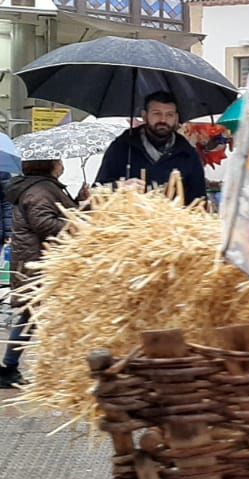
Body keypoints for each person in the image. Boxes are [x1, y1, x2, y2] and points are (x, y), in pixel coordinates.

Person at [0, 157, 78, 388]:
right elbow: (44, 223)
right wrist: (73, 226)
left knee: (32, 316)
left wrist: (82, 202)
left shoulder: (42, 186)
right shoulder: (39, 189)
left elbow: (60, 213)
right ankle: (11, 368)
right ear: (51, 165)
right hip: (39, 264)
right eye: (60, 161)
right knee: (33, 316)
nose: (63, 164)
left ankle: (11, 367)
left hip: (39, 262)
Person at [93, 91, 207, 204]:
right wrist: (119, 187)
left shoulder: (187, 154)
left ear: (176, 118)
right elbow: (97, 191)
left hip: (171, 221)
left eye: (169, 115)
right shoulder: (122, 147)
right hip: (129, 220)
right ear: (144, 116)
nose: (163, 120)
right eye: (156, 113)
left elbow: (199, 201)